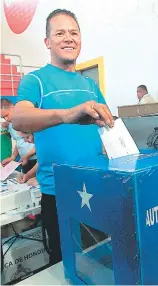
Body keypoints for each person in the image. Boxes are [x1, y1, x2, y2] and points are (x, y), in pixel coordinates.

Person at [12, 9, 114, 265]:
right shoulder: (35, 80)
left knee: (101, 259)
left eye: (73, 33)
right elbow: (19, 117)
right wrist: (67, 114)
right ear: (47, 42)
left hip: (97, 186)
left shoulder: (90, 85)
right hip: (60, 194)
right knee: (67, 266)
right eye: (59, 33)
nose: (68, 38)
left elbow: (108, 130)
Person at [1, 99, 37, 173]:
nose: (6, 119)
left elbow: (40, 143)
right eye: (3, 117)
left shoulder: (29, 121)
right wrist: (13, 157)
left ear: (13, 108)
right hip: (24, 159)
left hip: (36, 159)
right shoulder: (11, 125)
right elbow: (18, 142)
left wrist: (27, 156)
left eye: (6, 115)